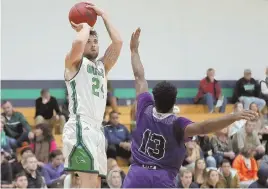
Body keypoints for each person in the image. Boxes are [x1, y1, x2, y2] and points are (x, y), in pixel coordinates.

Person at [122, 28, 258, 188]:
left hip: (137, 175)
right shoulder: (177, 124)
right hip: (162, 178)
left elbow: (139, 77)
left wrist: (134, 50)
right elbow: (204, 126)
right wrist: (233, 116)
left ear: (154, 99)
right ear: (174, 104)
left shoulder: (144, 107)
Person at [63, 2, 122, 188]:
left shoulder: (102, 67)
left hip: (97, 129)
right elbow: (79, 42)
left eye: (96, 41)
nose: (93, 44)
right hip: (81, 125)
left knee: (95, 184)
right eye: (90, 41)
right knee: (87, 183)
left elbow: (118, 42)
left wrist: (104, 16)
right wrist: (85, 27)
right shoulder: (73, 63)